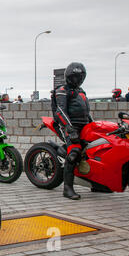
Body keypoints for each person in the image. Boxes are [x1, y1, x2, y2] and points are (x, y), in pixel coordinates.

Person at [53, 62, 92, 200]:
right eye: (76, 77)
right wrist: (70, 129)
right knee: (74, 153)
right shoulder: (62, 90)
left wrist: (94, 125)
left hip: (85, 126)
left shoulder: (81, 91)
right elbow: (60, 111)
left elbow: (87, 112)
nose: (78, 79)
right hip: (69, 125)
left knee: (95, 149)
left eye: (81, 77)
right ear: (69, 76)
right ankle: (67, 188)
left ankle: (97, 184)